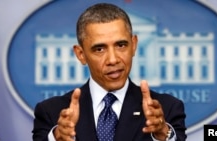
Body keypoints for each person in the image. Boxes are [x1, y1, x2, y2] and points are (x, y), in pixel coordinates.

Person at [32, 2, 187, 141]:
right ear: (81, 54)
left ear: (133, 45)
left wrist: (162, 135)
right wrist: (58, 138)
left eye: (121, 45)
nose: (113, 59)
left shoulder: (167, 109)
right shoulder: (52, 112)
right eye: (99, 49)